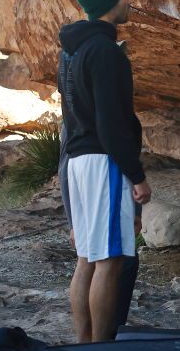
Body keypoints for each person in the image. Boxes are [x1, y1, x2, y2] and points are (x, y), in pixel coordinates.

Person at [58, 0, 152, 343]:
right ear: (109, 1)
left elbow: (69, 117)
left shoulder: (71, 51)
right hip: (103, 163)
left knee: (87, 258)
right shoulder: (105, 52)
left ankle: (84, 348)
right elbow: (112, 123)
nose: (128, 1)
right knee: (110, 261)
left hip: (78, 161)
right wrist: (137, 176)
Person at [58, 121, 141, 336]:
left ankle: (92, 341)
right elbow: (65, 166)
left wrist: (136, 210)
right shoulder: (102, 111)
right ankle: (102, 341)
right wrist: (73, 222)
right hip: (102, 180)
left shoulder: (76, 112)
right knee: (110, 262)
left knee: (93, 262)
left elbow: (66, 165)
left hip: (95, 184)